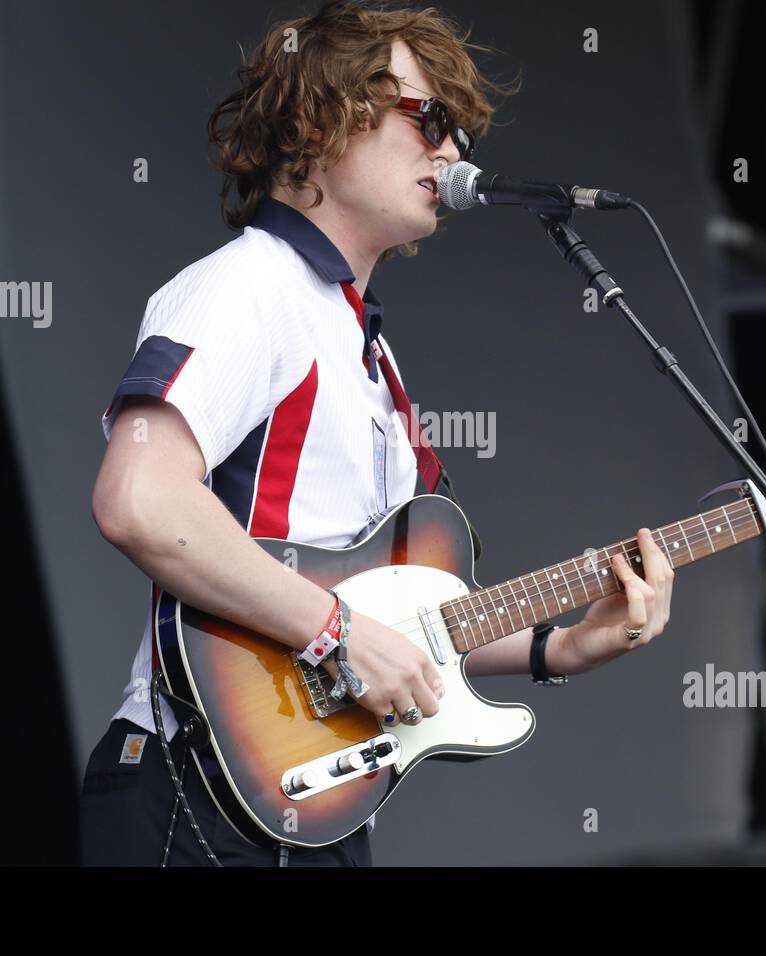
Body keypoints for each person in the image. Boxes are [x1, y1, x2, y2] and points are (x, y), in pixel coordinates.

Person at [80, 0, 674, 867]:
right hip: (201, 785)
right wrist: (338, 633)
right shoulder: (248, 288)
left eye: (459, 130)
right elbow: (137, 499)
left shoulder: (367, 351)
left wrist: (567, 645)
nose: (455, 152)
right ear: (323, 116)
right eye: (429, 118)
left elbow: (413, 615)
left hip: (314, 801)